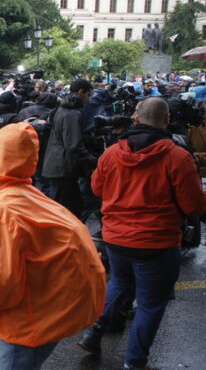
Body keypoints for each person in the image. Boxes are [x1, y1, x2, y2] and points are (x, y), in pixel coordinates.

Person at [0, 123, 106, 370]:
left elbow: (1, 280)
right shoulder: (29, 195)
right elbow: (31, 244)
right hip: (58, 305)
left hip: (35, 315)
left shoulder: (3, 208)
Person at [77, 97, 206, 370]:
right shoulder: (178, 157)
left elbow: (97, 189)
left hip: (116, 238)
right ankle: (134, 363)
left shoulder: (112, 152)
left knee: (120, 283)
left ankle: (93, 332)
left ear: (135, 117)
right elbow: (193, 205)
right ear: (167, 119)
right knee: (150, 304)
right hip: (157, 242)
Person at [41, 79, 97, 218]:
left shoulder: (62, 108)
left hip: (57, 166)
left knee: (70, 207)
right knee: (65, 211)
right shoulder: (72, 113)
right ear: (81, 92)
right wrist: (94, 161)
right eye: (88, 95)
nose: (88, 100)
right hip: (62, 168)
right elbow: (73, 145)